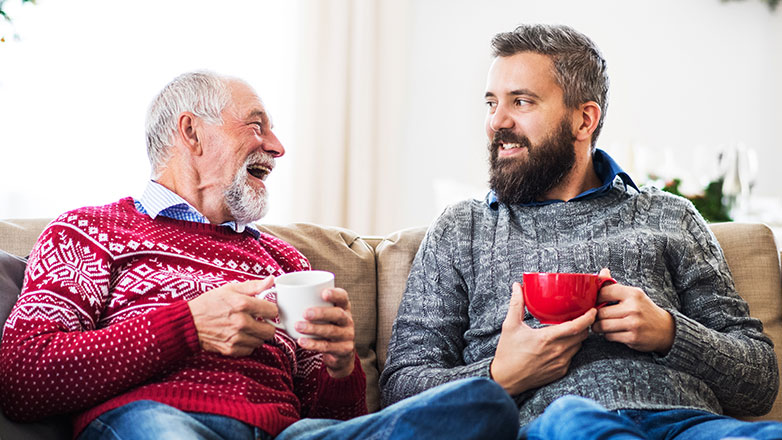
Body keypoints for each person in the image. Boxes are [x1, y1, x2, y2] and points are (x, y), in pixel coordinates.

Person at [0, 71, 520, 440]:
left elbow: (333, 418)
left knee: (482, 405)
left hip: (291, 433)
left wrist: (340, 367)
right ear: (190, 132)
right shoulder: (90, 231)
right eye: (256, 125)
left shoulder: (286, 260)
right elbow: (22, 379)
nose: (277, 146)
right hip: (157, 419)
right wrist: (187, 326)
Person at [379, 24, 782, 440]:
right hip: (559, 424)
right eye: (490, 103)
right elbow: (400, 390)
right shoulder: (463, 229)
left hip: (691, 425)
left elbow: (759, 382)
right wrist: (500, 373)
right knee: (576, 419)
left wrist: (669, 332)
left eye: (521, 101)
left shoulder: (670, 215)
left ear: (584, 119)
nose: (496, 121)